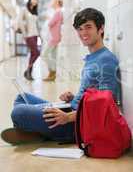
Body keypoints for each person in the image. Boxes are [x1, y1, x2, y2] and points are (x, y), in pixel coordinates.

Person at [1, 8, 120, 145]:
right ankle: (39, 132)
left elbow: (106, 106)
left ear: (101, 29)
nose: (83, 33)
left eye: (88, 27)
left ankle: (42, 133)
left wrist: (68, 117)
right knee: (22, 97)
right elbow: (92, 94)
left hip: (76, 125)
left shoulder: (106, 60)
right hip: (71, 109)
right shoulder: (93, 57)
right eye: (80, 29)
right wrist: (74, 98)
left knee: (19, 112)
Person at [41, 0, 63, 81]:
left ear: (57, 3)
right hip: (56, 37)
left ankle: (52, 71)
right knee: (53, 56)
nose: (52, 3)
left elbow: (50, 23)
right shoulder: (58, 12)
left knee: (44, 55)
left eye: (53, 1)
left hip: (54, 37)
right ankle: (52, 75)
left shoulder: (58, 12)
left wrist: (48, 19)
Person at [19, 0, 40, 81]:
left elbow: (36, 25)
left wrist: (39, 35)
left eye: (36, 0)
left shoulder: (35, 11)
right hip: (28, 35)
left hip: (35, 35)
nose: (35, 1)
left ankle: (29, 74)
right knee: (37, 53)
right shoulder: (24, 10)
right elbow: (20, 21)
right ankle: (27, 71)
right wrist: (24, 33)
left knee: (33, 54)